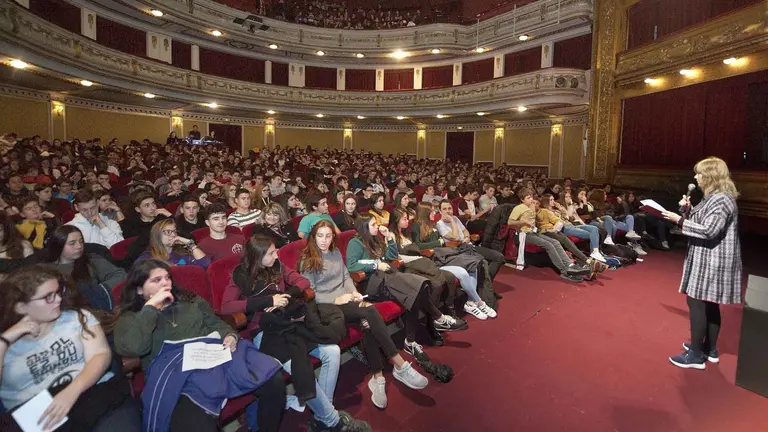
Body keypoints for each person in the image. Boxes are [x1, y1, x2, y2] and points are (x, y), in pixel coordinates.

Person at [113, 259, 285, 432]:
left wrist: (230, 335)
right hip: (177, 375)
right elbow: (133, 347)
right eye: (156, 280)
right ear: (139, 289)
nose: (165, 283)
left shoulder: (189, 300)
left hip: (213, 357)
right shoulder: (132, 317)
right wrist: (150, 308)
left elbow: (215, 322)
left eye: (167, 278)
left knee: (273, 380)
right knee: (197, 422)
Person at [225, 235, 371, 432]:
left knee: (333, 351)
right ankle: (333, 421)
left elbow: (301, 281)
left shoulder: (276, 266)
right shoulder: (240, 275)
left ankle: (322, 415)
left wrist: (286, 296)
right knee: (300, 368)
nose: (276, 255)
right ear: (257, 256)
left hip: (288, 322)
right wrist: (268, 301)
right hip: (266, 332)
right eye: (271, 253)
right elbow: (226, 306)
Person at [298, 220, 429, 410]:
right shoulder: (308, 260)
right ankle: (399, 363)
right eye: (320, 236)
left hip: (346, 300)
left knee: (368, 320)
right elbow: (310, 294)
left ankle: (378, 377)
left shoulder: (334, 252)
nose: (324, 240)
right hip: (327, 307)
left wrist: (354, 293)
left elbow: (345, 277)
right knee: (369, 310)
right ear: (313, 237)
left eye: (328, 236)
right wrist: (337, 299)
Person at [0, 265, 141, 432]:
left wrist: (71, 392)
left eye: (59, 292)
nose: (58, 299)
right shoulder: (5, 339)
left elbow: (100, 356)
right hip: (36, 414)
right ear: (20, 306)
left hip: (91, 394)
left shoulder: (77, 318)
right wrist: (5, 339)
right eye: (48, 297)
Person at [661, 157, 742, 369]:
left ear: (710, 176)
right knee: (709, 303)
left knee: (697, 302)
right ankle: (709, 350)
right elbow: (700, 222)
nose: (695, 177)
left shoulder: (722, 199)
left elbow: (709, 230)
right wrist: (687, 210)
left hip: (713, 260)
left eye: (699, 173)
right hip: (708, 257)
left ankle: (696, 356)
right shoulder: (712, 197)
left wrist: (678, 220)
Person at [506, 189, 590, 282]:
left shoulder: (532, 206)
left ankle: (570, 265)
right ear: (522, 200)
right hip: (523, 234)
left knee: (556, 242)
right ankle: (564, 271)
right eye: (528, 198)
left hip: (533, 232)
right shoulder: (519, 208)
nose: (531, 199)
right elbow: (510, 222)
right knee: (548, 245)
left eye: (531, 197)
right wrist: (524, 221)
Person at [43, 225, 126, 311]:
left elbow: (120, 274)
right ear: (58, 245)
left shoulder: (92, 259)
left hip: (95, 310)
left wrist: (98, 291)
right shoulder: (45, 270)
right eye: (72, 243)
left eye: (81, 241)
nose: (79, 246)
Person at [135, 219, 211, 269]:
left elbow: (206, 265)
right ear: (157, 235)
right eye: (168, 232)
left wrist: (190, 244)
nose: (173, 235)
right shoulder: (147, 259)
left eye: (174, 231)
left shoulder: (182, 252)